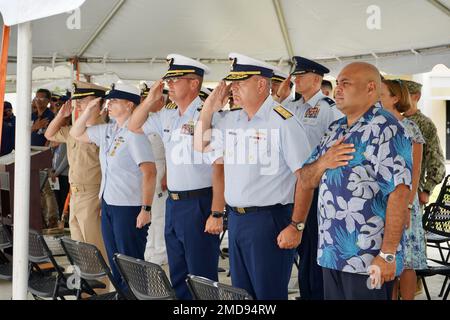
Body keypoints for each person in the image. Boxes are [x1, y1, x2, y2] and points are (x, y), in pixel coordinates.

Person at [194, 52, 312, 299]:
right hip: (237, 220)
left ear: (261, 84)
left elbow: (306, 178)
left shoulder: (283, 121)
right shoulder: (232, 120)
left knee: (268, 296)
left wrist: (296, 225)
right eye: (232, 83)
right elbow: (200, 146)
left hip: (269, 220)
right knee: (243, 295)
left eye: (239, 83)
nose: (233, 89)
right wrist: (208, 110)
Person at [297, 62, 412, 300]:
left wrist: (388, 254)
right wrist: (323, 162)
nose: (337, 89)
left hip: (368, 258)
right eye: (337, 83)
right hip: (331, 253)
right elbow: (305, 179)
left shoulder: (386, 128)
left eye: (345, 84)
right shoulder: (335, 129)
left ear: (371, 88)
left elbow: (399, 192)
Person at [128, 54, 224, 300]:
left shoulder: (208, 114)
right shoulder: (168, 115)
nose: (169, 84)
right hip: (175, 202)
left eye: (175, 79)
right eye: (168, 80)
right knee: (178, 274)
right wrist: (150, 101)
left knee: (201, 277)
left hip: (200, 203)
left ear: (194, 83)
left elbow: (218, 167)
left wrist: (216, 213)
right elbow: (134, 126)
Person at [70, 82, 156, 291]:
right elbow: (76, 133)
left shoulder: (135, 133)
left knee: (131, 264)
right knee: (115, 261)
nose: (109, 104)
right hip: (109, 203)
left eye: (115, 101)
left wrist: (146, 209)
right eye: (109, 100)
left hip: (129, 206)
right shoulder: (109, 130)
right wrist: (89, 109)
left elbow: (149, 172)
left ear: (129, 105)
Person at [278, 56, 336, 300]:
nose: (295, 80)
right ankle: (306, 293)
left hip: (317, 188)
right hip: (291, 189)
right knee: (299, 250)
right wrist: (279, 97)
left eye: (301, 76)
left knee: (313, 250)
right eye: (295, 76)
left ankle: (316, 295)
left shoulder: (328, 109)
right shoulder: (290, 107)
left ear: (316, 78)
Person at [45, 81, 108, 261]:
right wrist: (60, 116)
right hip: (76, 193)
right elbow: (49, 135)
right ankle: (86, 287)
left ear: (98, 102)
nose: (78, 105)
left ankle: (102, 288)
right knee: (79, 246)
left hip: (93, 193)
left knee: (94, 246)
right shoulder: (74, 129)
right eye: (77, 101)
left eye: (83, 101)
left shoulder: (103, 131)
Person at [380, 79, 427, 299]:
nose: (376, 97)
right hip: (382, 203)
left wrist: (407, 204)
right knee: (387, 259)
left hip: (405, 203)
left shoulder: (410, 127)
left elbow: (415, 172)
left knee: (406, 260)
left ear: (395, 98)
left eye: (382, 93)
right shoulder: (377, 124)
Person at [403, 80, 446, 206]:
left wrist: (427, 190)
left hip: (414, 193)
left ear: (416, 96)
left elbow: (436, 159)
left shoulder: (424, 124)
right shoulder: (396, 121)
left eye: (404, 94)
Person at [140, 82, 169, 266]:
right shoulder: (144, 120)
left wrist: (167, 174)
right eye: (143, 98)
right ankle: (149, 251)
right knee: (147, 214)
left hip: (161, 170)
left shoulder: (166, 120)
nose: (145, 101)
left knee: (159, 215)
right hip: (146, 173)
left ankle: (159, 254)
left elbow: (170, 151)